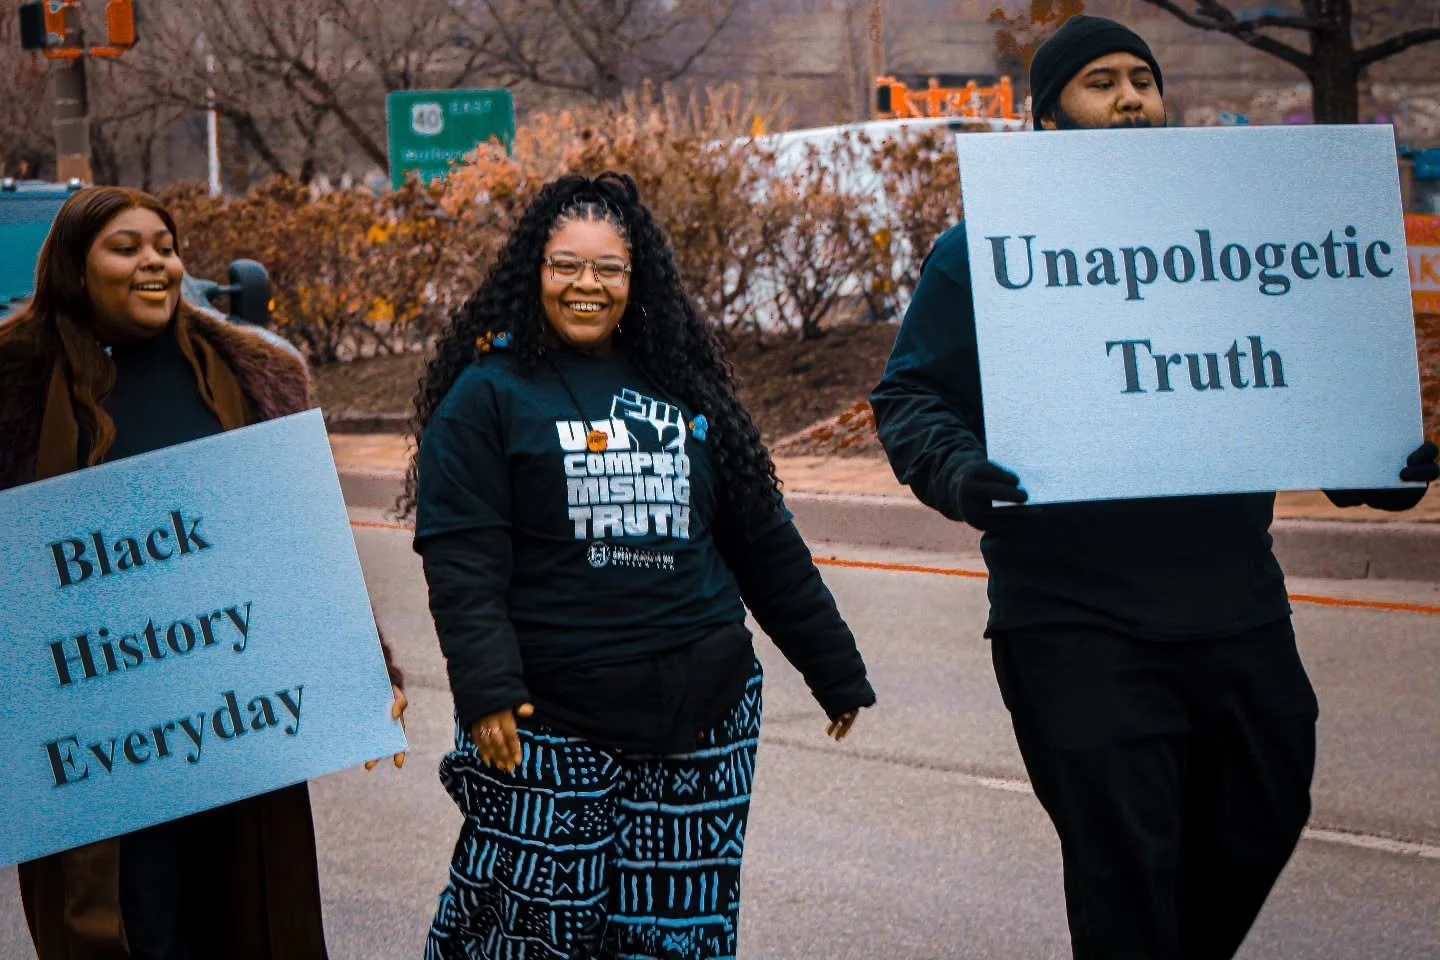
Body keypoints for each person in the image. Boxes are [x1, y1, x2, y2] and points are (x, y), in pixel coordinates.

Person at [871, 15, 1439, 960]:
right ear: (1049, 119)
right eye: (1101, 81)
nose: (1132, 96)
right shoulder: (984, 251)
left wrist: (1372, 463)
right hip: (1073, 620)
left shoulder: (1233, 242)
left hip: (1237, 609)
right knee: (1124, 872)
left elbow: (1275, 378)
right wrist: (961, 473)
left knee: (1266, 808)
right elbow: (911, 395)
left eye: (1144, 77)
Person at [405, 171, 876, 960]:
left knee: (676, 939)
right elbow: (464, 558)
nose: (587, 285)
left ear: (636, 278)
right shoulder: (487, 396)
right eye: (566, 265)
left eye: (608, 268)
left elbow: (761, 538)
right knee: (532, 934)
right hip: (549, 723)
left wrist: (834, 667)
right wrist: (487, 689)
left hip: (705, 717)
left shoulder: (680, 385)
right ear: (535, 273)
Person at [0, 186, 407, 960]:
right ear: (73, 271)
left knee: (250, 923)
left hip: (236, 733)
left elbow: (300, 541)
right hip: (89, 754)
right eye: (127, 248)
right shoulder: (12, 386)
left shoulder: (251, 371)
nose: (155, 261)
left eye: (165, 244)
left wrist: (365, 668)